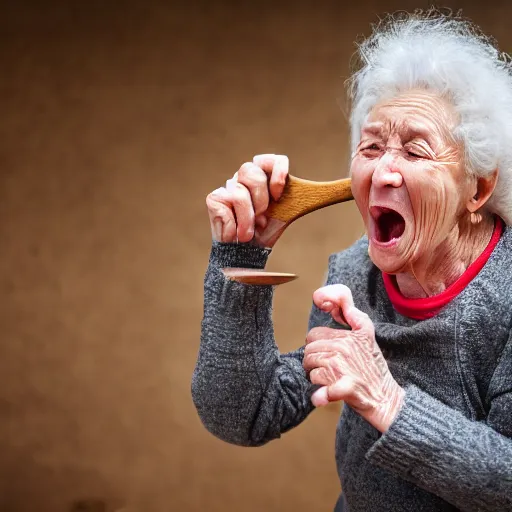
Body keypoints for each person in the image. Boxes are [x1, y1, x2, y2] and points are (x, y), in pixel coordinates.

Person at [191, 10, 512, 512]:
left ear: (480, 187)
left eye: (415, 150)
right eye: (372, 146)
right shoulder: (354, 274)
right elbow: (245, 416)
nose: (384, 171)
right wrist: (242, 254)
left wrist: (387, 400)